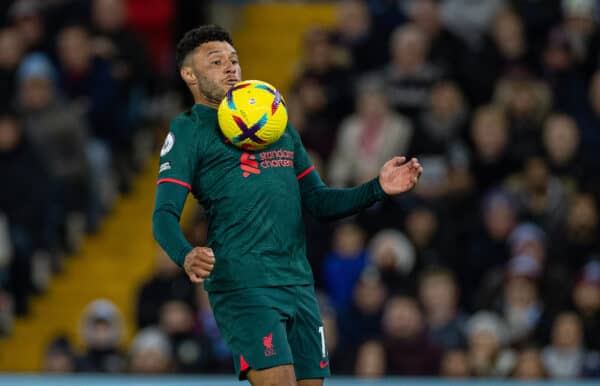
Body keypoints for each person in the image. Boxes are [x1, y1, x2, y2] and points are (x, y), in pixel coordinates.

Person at [152, 24, 422, 385]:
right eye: (216, 62)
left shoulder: (275, 122)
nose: (231, 68)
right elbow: (164, 215)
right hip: (243, 282)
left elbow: (318, 200)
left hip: (297, 281)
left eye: (234, 60)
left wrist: (377, 188)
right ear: (189, 74)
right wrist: (185, 254)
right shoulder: (188, 130)